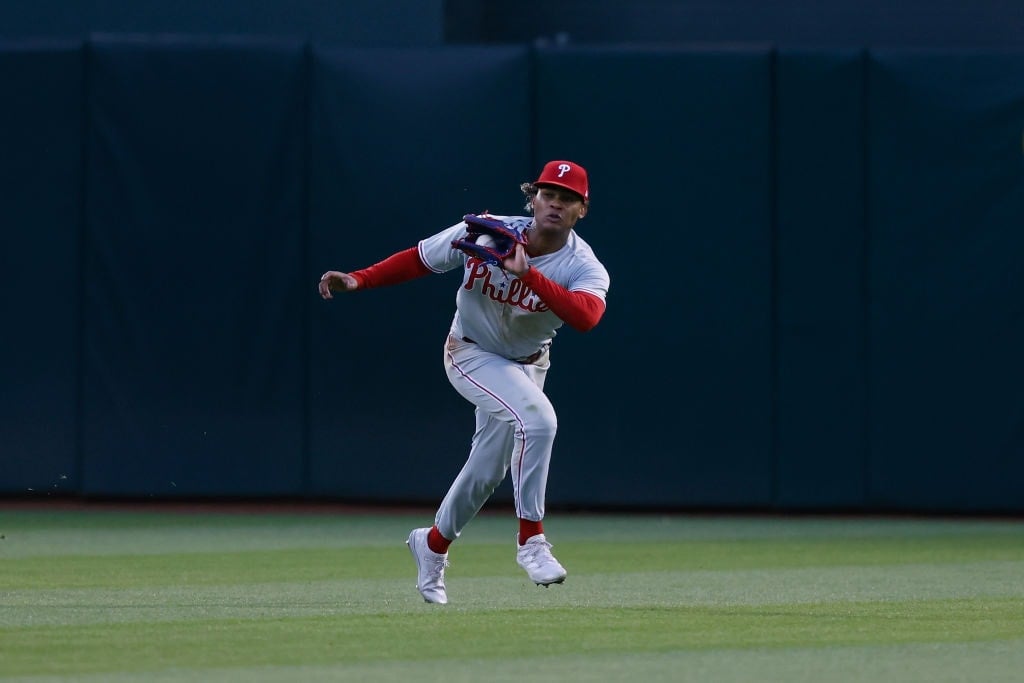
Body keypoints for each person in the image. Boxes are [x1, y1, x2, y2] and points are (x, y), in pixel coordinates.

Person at [318, 160, 610, 604]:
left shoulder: (582, 264)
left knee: (487, 471)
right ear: (532, 198)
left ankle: (432, 544)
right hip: (470, 351)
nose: (555, 203)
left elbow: (587, 318)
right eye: (548, 193)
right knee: (540, 422)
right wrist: (360, 279)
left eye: (567, 198)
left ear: (582, 209)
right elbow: (420, 258)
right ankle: (532, 541)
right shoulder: (488, 232)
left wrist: (528, 275)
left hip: (528, 364)